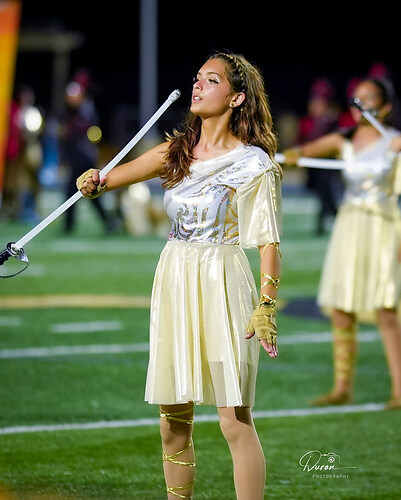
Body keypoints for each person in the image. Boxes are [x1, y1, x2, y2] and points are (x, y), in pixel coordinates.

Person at [77, 52, 282, 499]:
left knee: (234, 419)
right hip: (175, 276)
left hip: (222, 281)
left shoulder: (253, 164)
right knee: (172, 419)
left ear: (237, 97)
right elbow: (108, 180)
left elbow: (268, 241)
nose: (198, 85)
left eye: (212, 80)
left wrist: (266, 305)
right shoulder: (177, 151)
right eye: (197, 78)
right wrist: (93, 180)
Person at [284, 78, 401, 409]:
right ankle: (342, 388)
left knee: (386, 308)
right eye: (357, 98)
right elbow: (303, 152)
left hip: (384, 226)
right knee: (340, 307)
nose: (360, 103)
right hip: (349, 225)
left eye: (369, 98)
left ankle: (399, 389)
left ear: (386, 106)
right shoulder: (343, 140)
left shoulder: (395, 142)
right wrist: (293, 155)